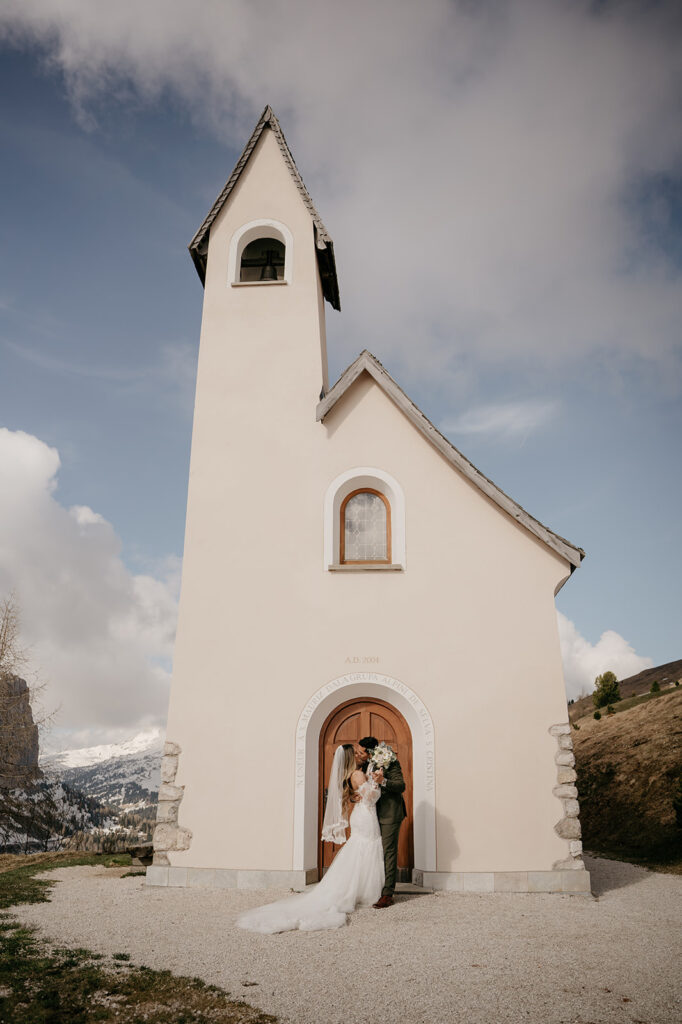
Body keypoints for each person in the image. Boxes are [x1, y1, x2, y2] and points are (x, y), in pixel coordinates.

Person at [235, 743, 384, 933]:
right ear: (349, 758)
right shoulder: (357, 774)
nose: (358, 755)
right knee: (365, 847)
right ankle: (360, 892)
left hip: (361, 816)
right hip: (366, 816)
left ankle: (355, 890)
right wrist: (377, 782)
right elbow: (371, 797)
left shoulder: (352, 774)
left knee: (360, 848)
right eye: (354, 753)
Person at [354, 736, 406, 909]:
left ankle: (387, 894)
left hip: (390, 813)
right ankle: (375, 888)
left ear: (369, 752)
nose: (359, 754)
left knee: (388, 852)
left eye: (361, 752)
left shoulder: (390, 761)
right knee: (375, 851)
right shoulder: (364, 766)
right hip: (373, 814)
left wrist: (382, 781)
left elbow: (400, 785)